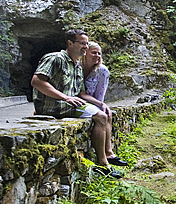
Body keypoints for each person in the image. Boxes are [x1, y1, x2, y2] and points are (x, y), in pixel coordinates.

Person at [31, 29, 124, 178]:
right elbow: (37, 81)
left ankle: (107, 157)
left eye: (87, 44)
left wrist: (100, 103)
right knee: (100, 117)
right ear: (70, 43)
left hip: (68, 105)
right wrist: (65, 97)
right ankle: (103, 164)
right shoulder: (55, 58)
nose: (85, 47)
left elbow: (81, 93)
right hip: (54, 106)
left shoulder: (77, 66)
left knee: (103, 113)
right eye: (82, 43)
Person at [80, 41, 128, 167]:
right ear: (85, 53)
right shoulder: (77, 67)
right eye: (94, 52)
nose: (97, 56)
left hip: (91, 100)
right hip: (77, 100)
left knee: (107, 114)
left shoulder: (102, 71)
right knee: (102, 115)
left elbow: (99, 95)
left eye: (99, 53)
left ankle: (109, 152)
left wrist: (100, 105)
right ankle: (104, 157)